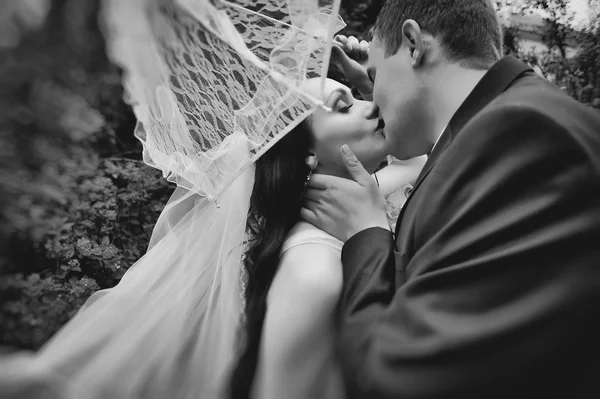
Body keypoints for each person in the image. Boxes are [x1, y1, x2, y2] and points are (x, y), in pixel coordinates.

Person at [302, 0, 600, 397]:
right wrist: (384, 84)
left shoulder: (520, 134)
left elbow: (399, 380)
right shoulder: (503, 121)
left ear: (413, 44)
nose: (372, 105)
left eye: (375, 78)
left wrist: (368, 233)